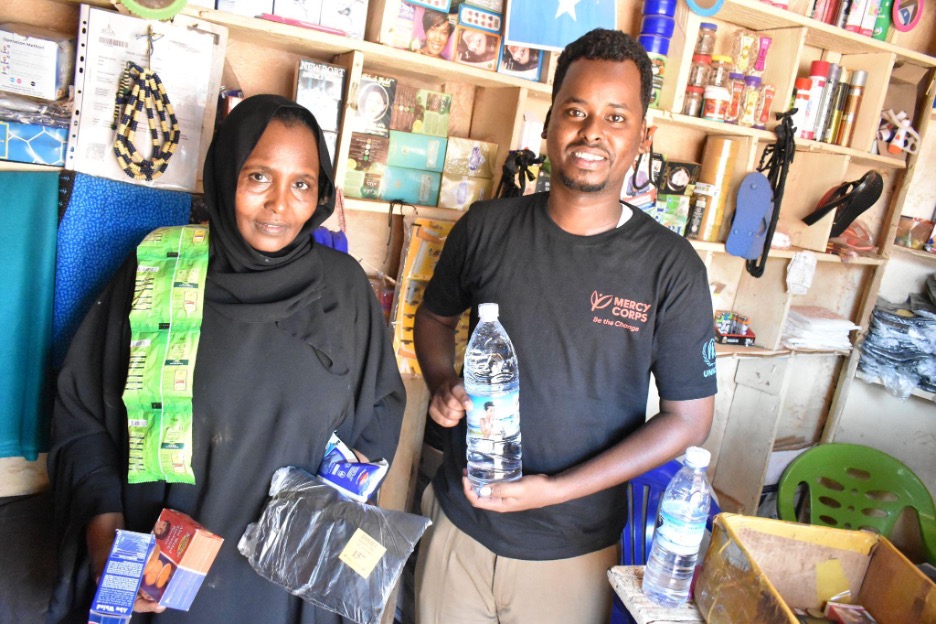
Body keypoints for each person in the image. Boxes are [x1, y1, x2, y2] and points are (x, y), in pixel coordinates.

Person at [47, 94, 406, 623]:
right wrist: (106, 541)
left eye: (301, 184)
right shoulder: (162, 269)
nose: (280, 204)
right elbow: (82, 416)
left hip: (291, 591)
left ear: (321, 193)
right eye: (259, 177)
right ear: (223, 175)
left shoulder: (344, 290)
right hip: (164, 588)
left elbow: (378, 414)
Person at [413, 29, 717, 624]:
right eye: (575, 112)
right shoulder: (485, 228)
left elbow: (689, 417)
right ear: (549, 121)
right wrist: (445, 382)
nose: (591, 133)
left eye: (615, 117)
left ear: (642, 138)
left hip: (573, 551)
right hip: (461, 527)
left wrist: (554, 488)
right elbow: (434, 317)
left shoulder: (670, 267)